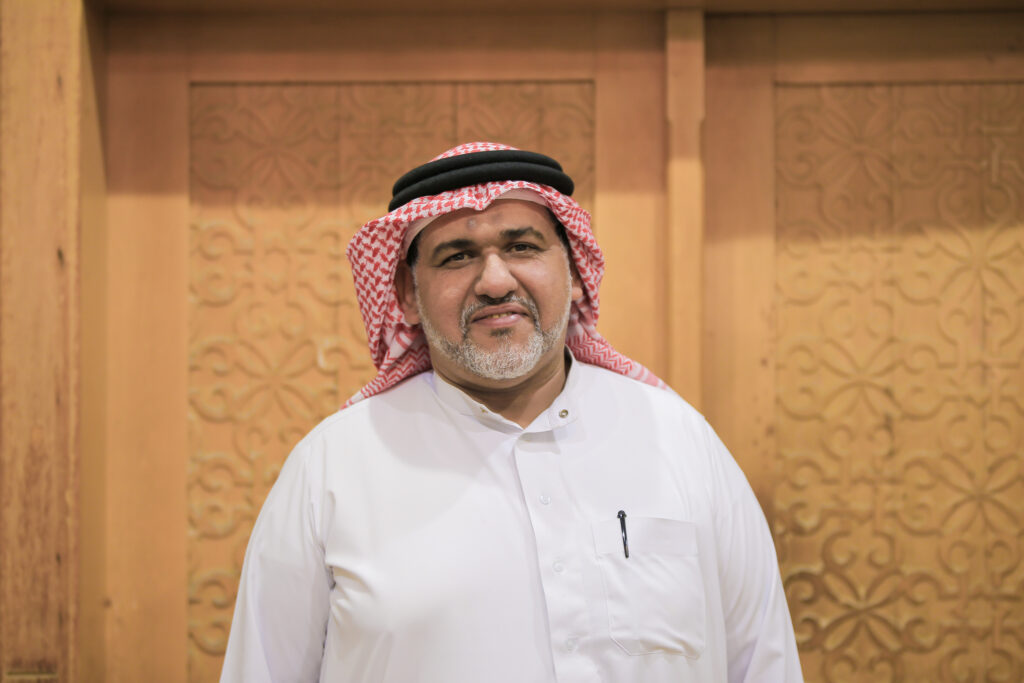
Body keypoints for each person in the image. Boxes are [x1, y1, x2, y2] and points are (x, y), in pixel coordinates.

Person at [220, 142, 803, 683]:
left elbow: (764, 663)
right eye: (457, 256)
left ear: (574, 274)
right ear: (407, 295)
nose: (496, 282)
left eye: (523, 247)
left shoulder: (678, 439)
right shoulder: (332, 466)